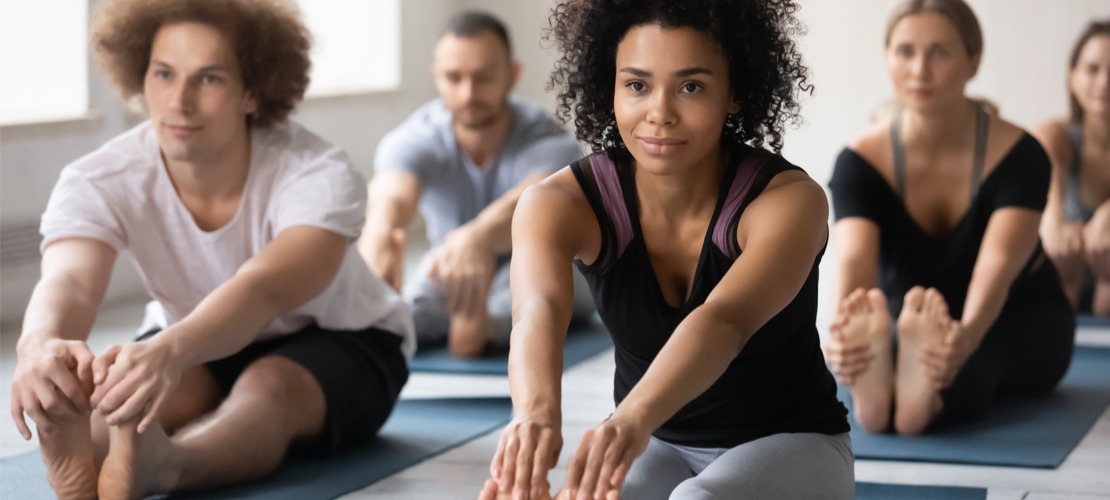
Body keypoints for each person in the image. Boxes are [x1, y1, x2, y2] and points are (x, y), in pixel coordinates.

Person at [9, 1, 414, 499]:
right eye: (163, 73)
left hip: (342, 338)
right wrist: (40, 343)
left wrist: (170, 350)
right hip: (188, 339)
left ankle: (168, 465)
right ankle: (77, 447)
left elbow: (262, 289)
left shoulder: (318, 174)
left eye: (209, 79)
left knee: (267, 387)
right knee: (124, 395)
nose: (179, 100)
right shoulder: (101, 178)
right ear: (141, 75)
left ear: (252, 91)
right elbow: (69, 280)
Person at [479, 1, 854, 499]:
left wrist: (630, 419)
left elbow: (723, 321)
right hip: (658, 443)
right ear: (608, 85)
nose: (660, 113)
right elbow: (537, 311)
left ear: (734, 91)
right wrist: (534, 415)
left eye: (691, 87)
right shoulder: (557, 204)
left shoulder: (788, 202)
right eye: (637, 85)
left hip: (794, 442)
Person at [825, 0, 1075, 437]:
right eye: (905, 51)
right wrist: (841, 331)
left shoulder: (1022, 156)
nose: (920, 69)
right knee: (907, 350)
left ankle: (912, 404)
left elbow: (996, 268)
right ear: (887, 58)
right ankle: (881, 399)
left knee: (975, 362)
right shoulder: (859, 161)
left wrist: (964, 339)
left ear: (973, 61)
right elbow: (855, 262)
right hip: (910, 315)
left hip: (1016, 314)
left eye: (940, 52)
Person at [358, 11, 594, 359]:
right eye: (454, 78)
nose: (468, 93)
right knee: (417, 293)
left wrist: (477, 238)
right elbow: (392, 194)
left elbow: (533, 199)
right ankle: (402, 321)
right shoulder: (415, 137)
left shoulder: (549, 138)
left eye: (483, 78)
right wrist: (379, 236)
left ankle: (484, 327)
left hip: (541, 263)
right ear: (436, 77)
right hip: (452, 269)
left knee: (537, 284)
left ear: (511, 75)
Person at [1035, 20, 1110, 316]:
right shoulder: (1057, 136)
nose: (1104, 82)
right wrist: (1052, 219)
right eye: (1092, 69)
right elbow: (1045, 161)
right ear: (1072, 77)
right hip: (1066, 297)